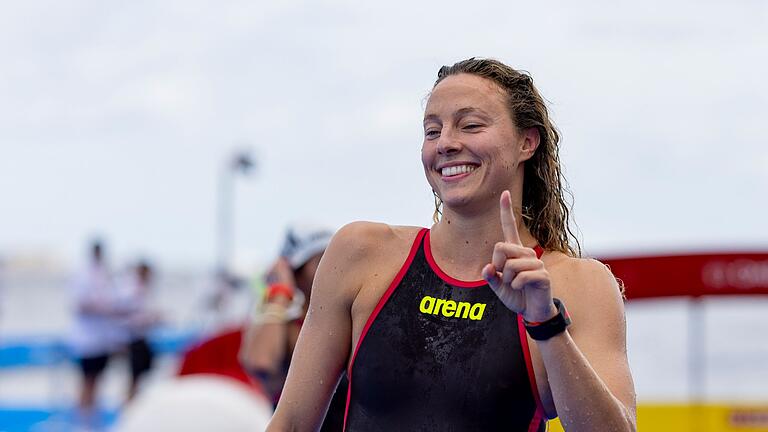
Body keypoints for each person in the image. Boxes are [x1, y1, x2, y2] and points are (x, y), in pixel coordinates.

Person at [267, 58, 637, 431]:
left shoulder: (578, 285)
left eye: (470, 125)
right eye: (432, 131)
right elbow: (291, 424)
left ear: (527, 141)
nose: (445, 143)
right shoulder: (362, 254)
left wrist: (545, 323)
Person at [239, 224, 347, 431]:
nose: (334, 268)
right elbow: (261, 363)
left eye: (334, 259)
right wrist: (280, 289)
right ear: (294, 272)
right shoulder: (287, 328)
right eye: (321, 261)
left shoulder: (351, 317)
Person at [69, 239, 122, 417]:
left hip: (102, 340)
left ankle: (91, 418)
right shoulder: (83, 275)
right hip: (88, 340)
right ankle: (82, 420)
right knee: (87, 380)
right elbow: (79, 305)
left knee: (98, 381)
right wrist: (101, 308)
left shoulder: (105, 275)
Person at [114, 259, 161, 401]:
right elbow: (123, 315)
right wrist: (147, 320)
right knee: (133, 379)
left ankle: (134, 402)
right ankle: (129, 405)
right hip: (133, 340)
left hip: (140, 338)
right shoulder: (131, 291)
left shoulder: (141, 290)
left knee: (138, 378)